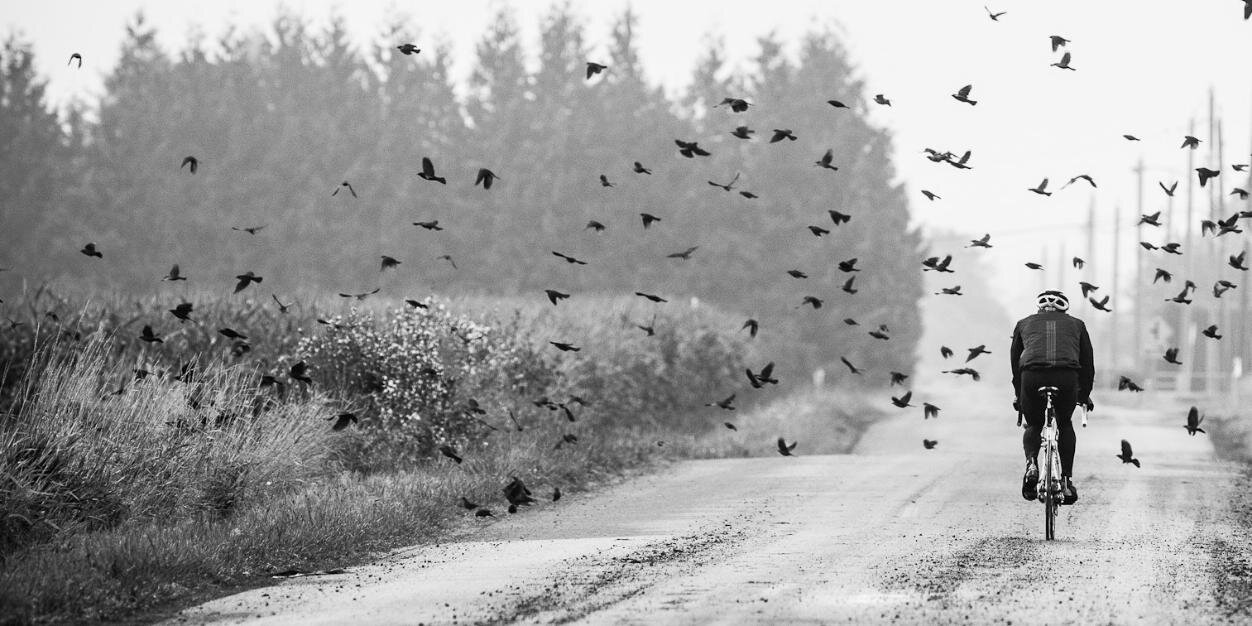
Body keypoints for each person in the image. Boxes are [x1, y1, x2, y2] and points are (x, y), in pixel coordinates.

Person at [1009, 290, 1094, 505]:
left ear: (1039, 308)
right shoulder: (1077, 325)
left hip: (1032, 376)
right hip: (1066, 376)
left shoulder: (1023, 323)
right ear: (1065, 308)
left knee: (1034, 425)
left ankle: (1031, 464)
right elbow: (1087, 364)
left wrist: (1020, 396)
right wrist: (1084, 395)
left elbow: (1015, 363)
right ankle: (1066, 481)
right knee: (1064, 423)